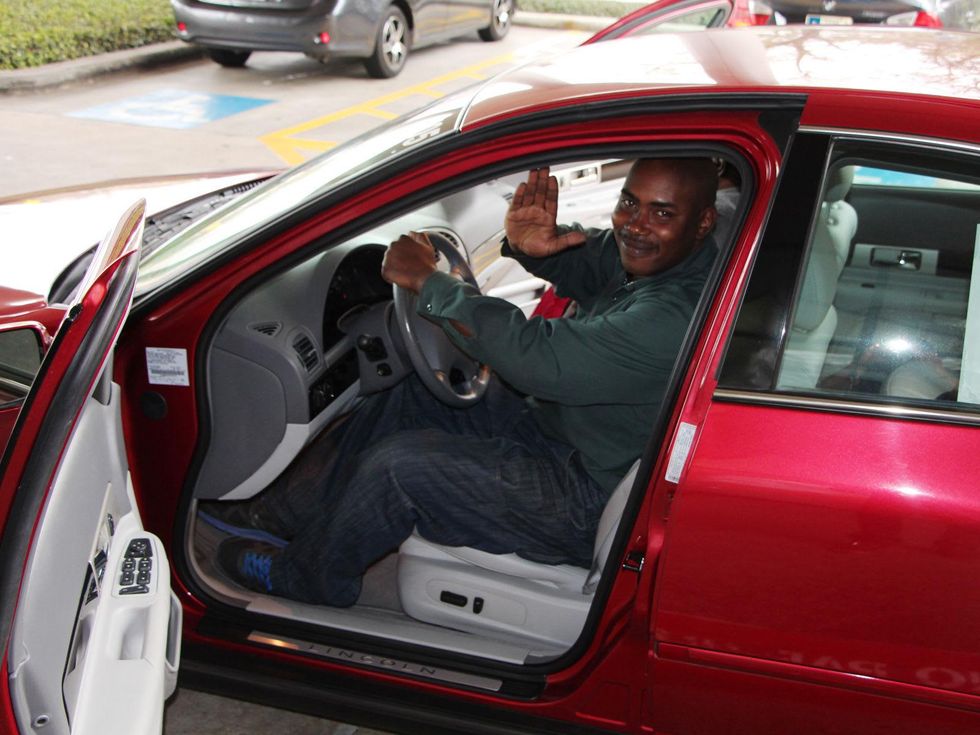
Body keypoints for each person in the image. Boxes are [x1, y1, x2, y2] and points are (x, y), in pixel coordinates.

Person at [214, 158, 719, 607]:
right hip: (564, 431)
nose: (636, 225)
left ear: (703, 223)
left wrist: (433, 284)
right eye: (630, 202)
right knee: (411, 394)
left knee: (400, 468)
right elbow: (593, 259)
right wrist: (534, 249)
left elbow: (538, 357)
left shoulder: (675, 314)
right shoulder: (657, 259)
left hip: (589, 495)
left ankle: (308, 577)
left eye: (662, 213)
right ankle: (286, 515)